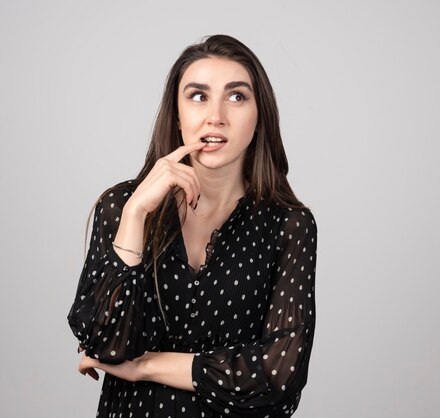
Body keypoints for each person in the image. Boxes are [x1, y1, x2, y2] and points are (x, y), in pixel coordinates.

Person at [67, 34, 317, 418]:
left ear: (259, 115)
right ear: (176, 114)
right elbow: (104, 344)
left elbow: (278, 374)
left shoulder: (288, 225)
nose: (215, 115)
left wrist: (144, 365)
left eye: (236, 96)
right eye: (198, 96)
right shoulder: (122, 207)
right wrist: (136, 216)